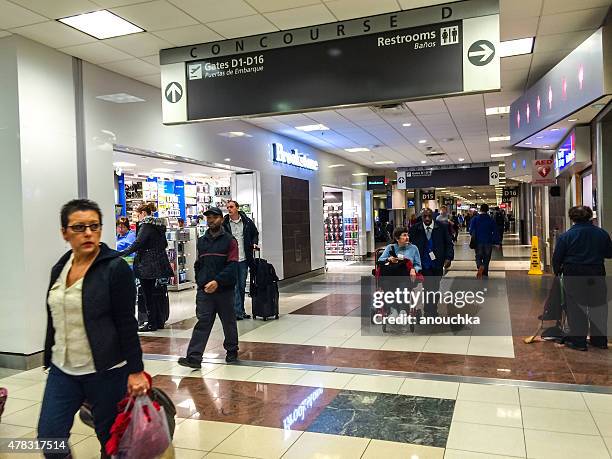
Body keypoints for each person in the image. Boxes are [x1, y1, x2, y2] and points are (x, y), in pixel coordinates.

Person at [38, 199, 148, 458]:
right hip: (62, 369)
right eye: (79, 227)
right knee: (50, 437)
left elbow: (126, 323)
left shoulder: (115, 268)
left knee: (112, 443)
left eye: (94, 226)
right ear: (64, 233)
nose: (88, 233)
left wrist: (136, 371)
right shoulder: (60, 266)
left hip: (106, 371)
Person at [178, 207, 240, 368]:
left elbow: (233, 266)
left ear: (221, 219)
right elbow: (199, 264)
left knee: (228, 322)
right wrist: (200, 281)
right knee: (203, 322)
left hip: (224, 291)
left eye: (214, 217)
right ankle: (194, 357)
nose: (211, 220)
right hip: (205, 291)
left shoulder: (230, 241)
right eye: (208, 218)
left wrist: (217, 281)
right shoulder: (202, 241)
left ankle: (232, 351)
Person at [552, 206, 612, 351]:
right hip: (596, 273)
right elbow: (609, 254)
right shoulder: (601, 233)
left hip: (574, 274)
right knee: (598, 307)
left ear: (572, 218)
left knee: (576, 308)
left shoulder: (566, 236)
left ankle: (579, 342)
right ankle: (599, 341)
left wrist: (558, 272)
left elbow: (557, 259)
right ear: (590, 216)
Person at [119, 203, 174, 332]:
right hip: (158, 262)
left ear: (143, 213)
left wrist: (122, 253)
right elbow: (164, 243)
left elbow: (138, 243)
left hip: (147, 264)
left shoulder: (146, 225)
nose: (137, 218)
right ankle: (158, 321)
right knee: (154, 293)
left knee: (147, 294)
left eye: (137, 215)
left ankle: (151, 323)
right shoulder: (159, 226)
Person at [409, 208, 454, 317]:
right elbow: (409, 244)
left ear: (433, 216)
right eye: (425, 216)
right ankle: (430, 310)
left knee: (435, 287)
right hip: (423, 264)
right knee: (428, 286)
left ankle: (432, 308)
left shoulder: (441, 227)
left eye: (429, 216)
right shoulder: (415, 228)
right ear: (422, 217)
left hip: (437, 263)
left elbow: (449, 243)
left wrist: (449, 257)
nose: (427, 218)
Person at [223, 200, 259, 320]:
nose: (229, 209)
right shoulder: (225, 223)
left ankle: (241, 310)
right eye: (228, 207)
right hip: (231, 259)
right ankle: (237, 312)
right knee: (235, 286)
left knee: (242, 286)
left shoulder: (247, 221)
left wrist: (254, 243)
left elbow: (255, 233)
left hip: (244, 258)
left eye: (231, 207)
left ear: (237, 208)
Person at [469, 204, 501, 279]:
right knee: (487, 257)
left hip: (478, 242)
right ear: (487, 210)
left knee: (478, 256)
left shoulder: (475, 219)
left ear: (480, 210)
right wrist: (497, 242)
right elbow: (495, 231)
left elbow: (471, 231)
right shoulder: (491, 219)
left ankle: (480, 266)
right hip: (488, 242)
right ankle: (485, 272)